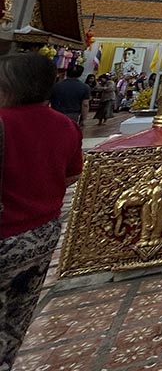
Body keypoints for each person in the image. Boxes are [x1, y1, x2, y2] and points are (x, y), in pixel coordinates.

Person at [0, 52, 83, 370]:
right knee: (19, 312)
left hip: (6, 232)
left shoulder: (4, 122)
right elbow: (72, 175)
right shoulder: (65, 126)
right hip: (44, 232)